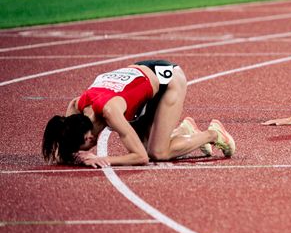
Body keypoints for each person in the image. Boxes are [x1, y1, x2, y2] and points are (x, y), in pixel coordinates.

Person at [42, 60, 235, 168]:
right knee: (146, 143)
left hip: (168, 80)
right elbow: (62, 149)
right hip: (140, 83)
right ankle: (185, 131)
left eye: (84, 146)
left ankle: (214, 134)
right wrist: (70, 155)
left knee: (157, 153)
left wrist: (103, 159)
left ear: (90, 136)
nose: (86, 149)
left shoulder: (110, 111)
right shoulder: (76, 109)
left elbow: (140, 157)